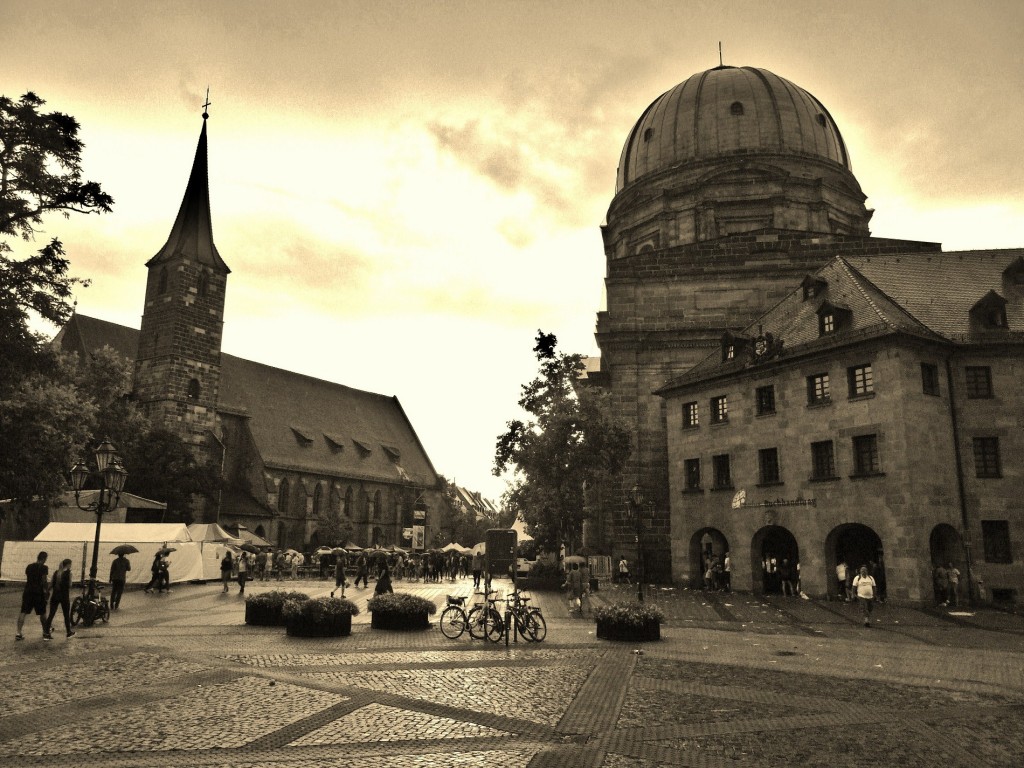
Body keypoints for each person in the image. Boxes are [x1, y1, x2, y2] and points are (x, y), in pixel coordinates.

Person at [16, 551, 49, 641]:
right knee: (42, 613)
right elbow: (44, 580)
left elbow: (29, 577)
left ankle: (18, 632)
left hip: (28, 591)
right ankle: (45, 632)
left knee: (23, 612)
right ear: (44, 558)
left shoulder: (29, 566)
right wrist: (46, 591)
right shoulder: (44, 568)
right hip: (38, 592)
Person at [44, 558, 75, 640]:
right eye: (70, 564)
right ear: (68, 565)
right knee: (66, 615)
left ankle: (46, 633)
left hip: (55, 596)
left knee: (51, 614)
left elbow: (50, 585)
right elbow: (70, 585)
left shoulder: (56, 573)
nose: (71, 566)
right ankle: (68, 632)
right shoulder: (69, 573)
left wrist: (47, 592)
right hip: (64, 596)